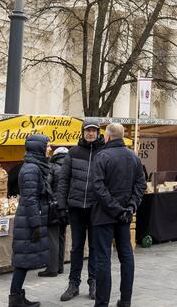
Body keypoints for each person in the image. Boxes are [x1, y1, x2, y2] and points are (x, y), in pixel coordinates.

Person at [91, 123, 146, 307]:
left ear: (107, 137)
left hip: (104, 216)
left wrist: (119, 209)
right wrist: (129, 208)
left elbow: (98, 187)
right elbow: (141, 185)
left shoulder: (102, 156)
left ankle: (102, 303)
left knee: (103, 259)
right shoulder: (134, 157)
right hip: (124, 216)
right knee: (126, 256)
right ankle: (125, 300)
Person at [56, 120, 104, 301]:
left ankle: (93, 282)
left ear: (98, 133)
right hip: (75, 208)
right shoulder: (73, 152)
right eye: (87, 131)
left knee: (94, 247)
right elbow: (63, 180)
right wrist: (61, 204)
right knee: (76, 247)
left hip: (95, 208)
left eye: (93, 131)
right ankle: (73, 283)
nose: (90, 133)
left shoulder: (104, 153)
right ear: (83, 133)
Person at [9, 134, 52, 307]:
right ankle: (15, 298)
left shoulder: (35, 167)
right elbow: (30, 199)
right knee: (22, 262)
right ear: (39, 148)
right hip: (28, 221)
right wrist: (35, 225)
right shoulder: (32, 169)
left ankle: (18, 296)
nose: (50, 149)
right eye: (47, 146)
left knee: (24, 261)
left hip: (29, 219)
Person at [39, 146, 68, 278]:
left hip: (54, 206)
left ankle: (52, 269)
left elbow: (47, 186)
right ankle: (60, 266)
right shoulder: (70, 168)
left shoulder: (52, 167)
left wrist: (50, 200)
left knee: (52, 237)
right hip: (67, 207)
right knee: (61, 236)